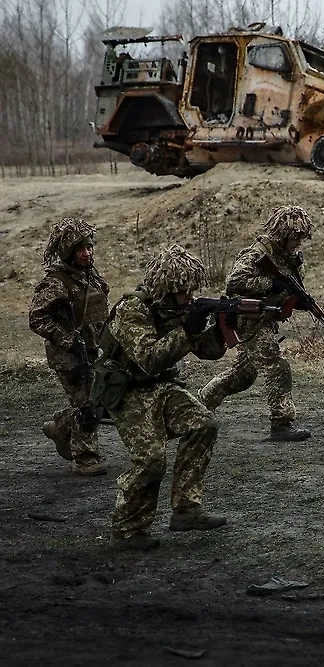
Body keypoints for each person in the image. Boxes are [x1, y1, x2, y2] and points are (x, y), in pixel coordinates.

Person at [94, 245, 229, 551]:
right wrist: (187, 329)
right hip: (127, 389)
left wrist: (221, 331)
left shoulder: (178, 309)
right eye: (184, 292)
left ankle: (186, 509)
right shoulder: (133, 309)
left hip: (161, 386)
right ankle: (128, 529)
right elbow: (148, 359)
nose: (190, 298)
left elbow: (207, 351)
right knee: (151, 460)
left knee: (203, 424)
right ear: (166, 290)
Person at [199, 205, 313, 441]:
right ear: (283, 234)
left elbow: (288, 288)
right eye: (295, 237)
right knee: (276, 365)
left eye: (302, 237)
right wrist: (270, 286)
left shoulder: (287, 258)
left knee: (243, 375)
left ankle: (199, 405)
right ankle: (281, 423)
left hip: (264, 318)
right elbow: (235, 282)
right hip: (248, 318)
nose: (299, 243)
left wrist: (296, 300)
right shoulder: (257, 254)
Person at [28, 218, 111, 476]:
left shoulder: (90, 276)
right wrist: (67, 340)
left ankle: (61, 427)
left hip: (94, 349)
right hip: (69, 357)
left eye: (89, 248)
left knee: (97, 400)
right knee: (86, 403)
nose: (87, 253)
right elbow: (37, 317)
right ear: (68, 252)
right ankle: (85, 459)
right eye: (80, 249)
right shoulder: (56, 282)